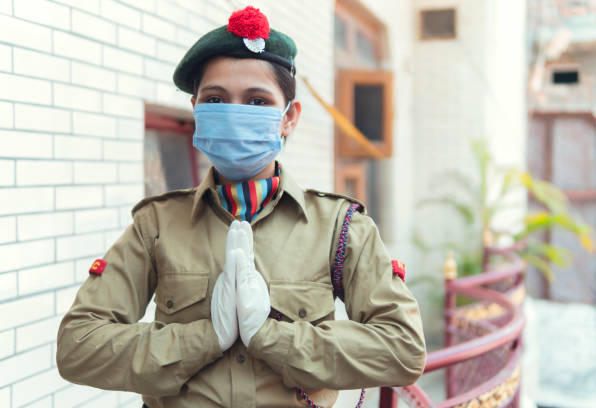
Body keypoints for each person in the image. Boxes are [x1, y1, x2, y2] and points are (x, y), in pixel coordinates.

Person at [56, 6, 426, 408]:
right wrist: (205, 337)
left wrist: (269, 336)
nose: (235, 114)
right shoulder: (157, 225)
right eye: (216, 99)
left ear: (289, 118)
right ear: (197, 110)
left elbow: (403, 347)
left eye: (257, 101)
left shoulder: (338, 227)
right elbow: (79, 346)